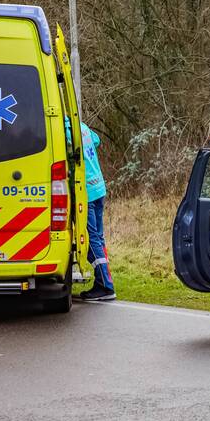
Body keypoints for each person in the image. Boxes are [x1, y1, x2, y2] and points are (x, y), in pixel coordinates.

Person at [68, 118, 116, 302]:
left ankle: (105, 285)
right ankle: (106, 282)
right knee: (99, 237)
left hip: (85, 192)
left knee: (90, 238)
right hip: (98, 188)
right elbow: (96, 141)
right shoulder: (82, 126)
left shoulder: (65, 130)